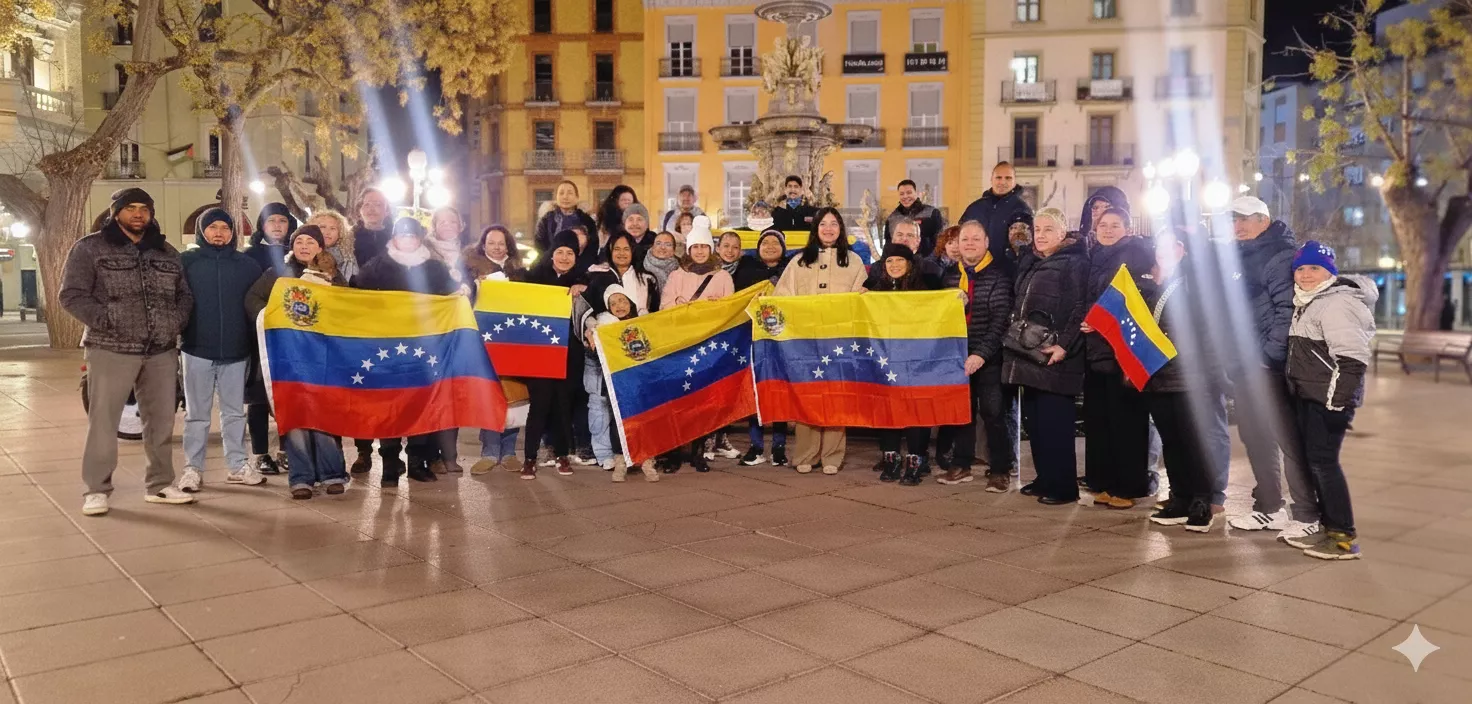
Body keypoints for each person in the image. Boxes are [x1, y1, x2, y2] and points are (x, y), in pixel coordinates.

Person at [61, 187, 196, 516]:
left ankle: (161, 484)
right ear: (116, 212)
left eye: (144, 208)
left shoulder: (165, 252)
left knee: (161, 422)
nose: (139, 214)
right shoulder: (90, 248)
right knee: (104, 421)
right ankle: (96, 488)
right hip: (111, 347)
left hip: (161, 350)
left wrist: (174, 323)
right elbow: (72, 295)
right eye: (131, 208)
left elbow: (184, 296)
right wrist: (107, 320)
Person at [1223, 196, 1315, 539]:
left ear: (1264, 219)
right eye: (1234, 219)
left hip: (1268, 366)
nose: (1238, 226)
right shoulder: (1239, 256)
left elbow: (1286, 310)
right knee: (1255, 436)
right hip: (1245, 364)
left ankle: (1307, 514)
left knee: (1286, 438)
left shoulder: (1278, 254)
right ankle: (1269, 508)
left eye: (1245, 219)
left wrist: (1267, 356)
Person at [1281, 241, 1374, 560]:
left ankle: (1343, 536)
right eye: (1300, 268)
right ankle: (1330, 527)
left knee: (1324, 464)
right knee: (1317, 464)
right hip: (1311, 396)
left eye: (1314, 268)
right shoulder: (1310, 301)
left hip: (1327, 400)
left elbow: (1353, 360)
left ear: (1329, 272)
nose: (1306, 274)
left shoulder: (1336, 303)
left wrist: (1336, 404)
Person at [244, 226, 350, 499]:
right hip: (289, 358)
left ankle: (333, 473)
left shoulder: (334, 277)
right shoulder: (279, 272)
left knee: (324, 415)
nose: (304, 246)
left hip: (324, 358)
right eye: (299, 241)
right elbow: (253, 299)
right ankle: (301, 477)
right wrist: (271, 317)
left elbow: (348, 307)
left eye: (310, 241)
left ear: (320, 248)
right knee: (296, 416)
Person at [355, 217, 461, 481]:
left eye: (413, 236)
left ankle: (416, 461)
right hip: (385, 347)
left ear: (419, 239)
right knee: (388, 404)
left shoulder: (434, 268)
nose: (408, 240)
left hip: (423, 348)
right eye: (403, 236)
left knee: (420, 403)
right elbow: (355, 297)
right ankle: (390, 462)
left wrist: (461, 291)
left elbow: (450, 296)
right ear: (394, 238)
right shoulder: (376, 266)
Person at [1144, 230, 1230, 532]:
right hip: (1162, 375)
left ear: (1183, 249)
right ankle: (1179, 498)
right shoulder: (1164, 282)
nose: (1161, 251)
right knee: (1173, 441)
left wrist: (1210, 374)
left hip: (1191, 376)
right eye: (1159, 246)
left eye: (1170, 245)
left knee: (1195, 441)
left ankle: (1202, 501)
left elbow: (1208, 331)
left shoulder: (1195, 281)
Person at [1001, 207, 1089, 506]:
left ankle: (1064, 487)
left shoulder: (1074, 263)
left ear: (1063, 233)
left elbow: (1081, 307)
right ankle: (1045, 478)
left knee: (1056, 424)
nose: (1040, 235)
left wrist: (1065, 344)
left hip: (1055, 355)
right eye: (1037, 229)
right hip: (1029, 354)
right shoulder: (1033, 262)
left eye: (1048, 229)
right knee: (1036, 422)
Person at [775, 207, 869, 474]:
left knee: (837, 395)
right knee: (807, 394)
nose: (828, 229)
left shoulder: (853, 261)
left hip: (839, 339)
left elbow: (861, 300)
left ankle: (832, 455)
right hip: (806, 340)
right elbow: (783, 296)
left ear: (840, 229)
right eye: (823, 224)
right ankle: (806, 453)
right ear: (815, 229)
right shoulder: (799, 262)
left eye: (834, 224)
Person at [178, 207, 266, 492]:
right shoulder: (186, 262)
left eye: (225, 228)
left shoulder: (246, 265)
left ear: (233, 233)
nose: (219, 233)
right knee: (197, 414)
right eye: (213, 227)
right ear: (202, 231)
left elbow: (260, 301)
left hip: (236, 350)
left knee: (234, 413)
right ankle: (193, 468)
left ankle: (238, 465)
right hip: (196, 349)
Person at [1079, 207, 1157, 509]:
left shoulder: (1135, 254)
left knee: (1126, 422)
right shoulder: (1096, 255)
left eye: (1115, 225)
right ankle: (1106, 482)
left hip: (1121, 350)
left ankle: (1128, 486)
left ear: (1127, 228)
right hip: (1096, 350)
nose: (1108, 229)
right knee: (1101, 421)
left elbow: (1137, 301)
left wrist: (1102, 321)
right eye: (1103, 224)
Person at [936, 220, 1016, 492]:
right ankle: (961, 463)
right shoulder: (948, 275)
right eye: (964, 239)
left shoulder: (999, 275)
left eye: (975, 239)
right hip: (957, 355)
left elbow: (1001, 320)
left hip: (989, 356)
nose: (969, 243)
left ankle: (1001, 468)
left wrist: (981, 354)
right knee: (962, 412)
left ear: (986, 243)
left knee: (994, 412)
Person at [867, 243, 940, 486]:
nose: (894, 265)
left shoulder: (924, 289)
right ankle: (891, 458)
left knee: (915, 410)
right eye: (889, 261)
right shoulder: (877, 290)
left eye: (899, 260)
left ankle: (916, 461)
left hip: (917, 360)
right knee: (888, 410)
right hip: (887, 360)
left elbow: (940, 309)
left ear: (909, 264)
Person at [520, 230, 589, 479]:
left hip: (570, 355)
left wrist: (584, 289)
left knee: (563, 406)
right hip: (540, 353)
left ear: (576, 256)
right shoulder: (534, 279)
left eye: (569, 252)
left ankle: (562, 454)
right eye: (559, 251)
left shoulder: (584, 281)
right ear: (551, 254)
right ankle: (529, 457)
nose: (564, 257)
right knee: (539, 406)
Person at [465, 225, 527, 474]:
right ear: (483, 244)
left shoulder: (520, 272)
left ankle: (510, 451)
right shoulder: (470, 270)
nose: (497, 247)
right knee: (489, 394)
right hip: (484, 341)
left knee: (514, 394)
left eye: (501, 243)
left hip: (513, 340)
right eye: (492, 242)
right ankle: (489, 451)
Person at [581, 284, 659, 482]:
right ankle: (620, 461)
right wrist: (592, 345)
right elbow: (599, 358)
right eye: (613, 303)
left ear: (630, 302)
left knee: (644, 420)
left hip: (642, 381)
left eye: (622, 300)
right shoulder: (603, 329)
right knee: (618, 422)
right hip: (617, 382)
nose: (619, 306)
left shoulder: (646, 323)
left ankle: (647, 460)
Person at [242, 204, 298, 476]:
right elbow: (249, 297)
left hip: (292, 340)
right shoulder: (250, 256)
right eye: (271, 221)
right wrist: (265, 321)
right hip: (259, 336)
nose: (277, 226)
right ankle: (261, 453)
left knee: (289, 395)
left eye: (282, 221)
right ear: (261, 226)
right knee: (259, 398)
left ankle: (287, 450)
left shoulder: (298, 255)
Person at [734, 229, 791, 466]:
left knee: (779, 391)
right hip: (752, 338)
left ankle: (779, 446)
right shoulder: (746, 271)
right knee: (754, 391)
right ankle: (756, 445)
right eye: (764, 242)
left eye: (775, 242)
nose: (769, 246)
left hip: (780, 339)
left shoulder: (791, 271)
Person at [959, 162, 1033, 269]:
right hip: (974, 272)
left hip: (1008, 274)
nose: (1002, 182)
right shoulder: (975, 208)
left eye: (1008, 178)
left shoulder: (1021, 210)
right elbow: (960, 239)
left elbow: (1024, 251)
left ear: (1014, 181)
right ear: (991, 179)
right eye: (998, 177)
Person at [585, 231, 660, 316]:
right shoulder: (598, 277)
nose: (621, 253)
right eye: (617, 249)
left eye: (626, 249)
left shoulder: (647, 279)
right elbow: (589, 309)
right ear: (610, 251)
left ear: (633, 251)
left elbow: (655, 311)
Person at [868, 219, 943, 289]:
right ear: (893, 239)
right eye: (900, 235)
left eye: (910, 235)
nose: (904, 239)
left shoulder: (931, 269)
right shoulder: (877, 269)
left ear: (918, 241)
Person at [884, 179, 947, 256]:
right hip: (900, 262)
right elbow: (888, 245)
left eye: (909, 193)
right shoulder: (892, 218)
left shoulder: (932, 213)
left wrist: (932, 261)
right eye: (902, 194)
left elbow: (940, 241)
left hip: (926, 262)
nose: (905, 196)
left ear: (916, 193)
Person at [534, 180, 598, 255]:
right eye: (561, 193)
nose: (565, 197)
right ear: (556, 197)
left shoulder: (586, 220)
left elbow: (593, 246)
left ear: (577, 197)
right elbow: (539, 244)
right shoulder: (546, 220)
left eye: (570, 193)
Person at [427, 206, 471, 297]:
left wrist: (467, 287)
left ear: (461, 226)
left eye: (453, 222)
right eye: (442, 222)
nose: (448, 225)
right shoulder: (423, 251)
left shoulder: (470, 252)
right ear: (434, 226)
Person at [309, 210, 358, 283]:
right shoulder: (302, 252)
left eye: (333, 228)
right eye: (322, 227)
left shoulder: (347, 259)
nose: (327, 232)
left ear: (340, 233)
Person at [351, 187, 393, 272]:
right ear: (360, 210)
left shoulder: (395, 238)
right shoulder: (349, 237)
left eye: (378, 204)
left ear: (387, 211)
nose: (371, 209)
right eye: (367, 204)